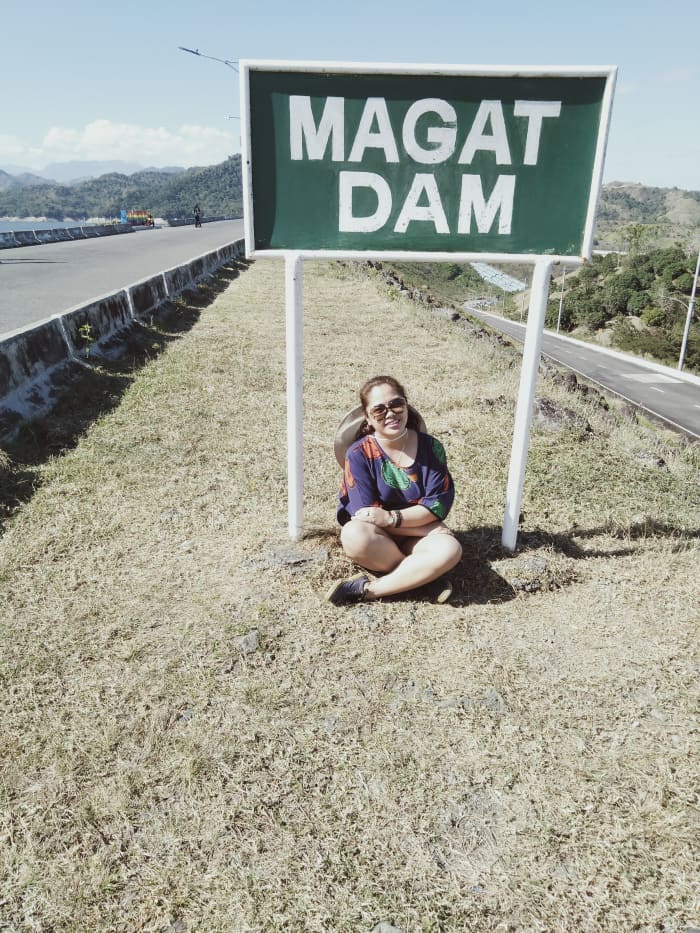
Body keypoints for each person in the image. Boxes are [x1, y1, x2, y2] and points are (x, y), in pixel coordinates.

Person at [326, 375, 462, 605]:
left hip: (416, 536)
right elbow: (366, 516)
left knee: (450, 549)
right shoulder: (359, 454)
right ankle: (425, 579)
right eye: (379, 410)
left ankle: (367, 590)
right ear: (368, 418)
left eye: (396, 404)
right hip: (381, 539)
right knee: (353, 535)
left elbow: (436, 504)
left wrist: (392, 518)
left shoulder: (431, 448)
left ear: (406, 405)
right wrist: (425, 528)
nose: (390, 414)